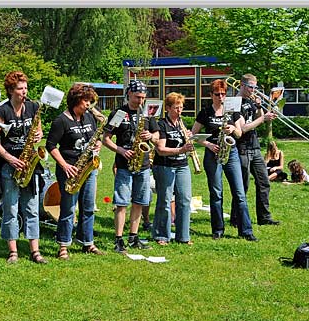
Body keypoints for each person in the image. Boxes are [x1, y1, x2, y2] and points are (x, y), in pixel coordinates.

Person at [0, 71, 47, 264]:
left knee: (32, 208)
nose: (25, 91)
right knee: (11, 208)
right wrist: (7, 157)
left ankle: (35, 251)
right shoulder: (3, 111)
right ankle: (13, 251)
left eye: (26, 88)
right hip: (10, 164)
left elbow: (38, 129)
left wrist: (38, 134)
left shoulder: (32, 107)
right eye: (21, 88)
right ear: (11, 91)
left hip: (29, 163)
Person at [192, 79, 258, 241]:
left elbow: (239, 134)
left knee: (240, 193)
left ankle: (246, 231)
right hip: (213, 153)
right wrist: (208, 144)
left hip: (231, 152)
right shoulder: (205, 112)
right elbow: (193, 134)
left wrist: (233, 129)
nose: (221, 97)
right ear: (211, 95)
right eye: (217, 94)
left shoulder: (232, 110)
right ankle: (218, 229)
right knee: (216, 193)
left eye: (223, 94)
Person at [45, 83, 104, 260]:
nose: (88, 104)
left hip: (88, 168)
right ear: (76, 100)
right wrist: (65, 165)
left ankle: (87, 242)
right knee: (68, 208)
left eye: (90, 101)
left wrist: (98, 144)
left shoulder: (89, 118)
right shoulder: (61, 121)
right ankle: (63, 244)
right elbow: (50, 146)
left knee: (88, 207)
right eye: (86, 100)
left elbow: (96, 137)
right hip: (69, 169)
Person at [102, 80, 158, 253]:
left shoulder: (147, 113)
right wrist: (120, 150)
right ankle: (118, 240)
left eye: (142, 97)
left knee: (139, 202)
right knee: (121, 203)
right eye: (136, 97)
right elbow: (106, 138)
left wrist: (151, 135)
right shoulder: (119, 113)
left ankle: (134, 237)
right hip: (125, 164)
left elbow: (156, 135)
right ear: (128, 95)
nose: (140, 101)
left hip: (144, 164)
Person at [230, 73, 279, 226]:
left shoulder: (250, 101)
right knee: (242, 186)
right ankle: (236, 218)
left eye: (255, 87)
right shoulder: (234, 103)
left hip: (255, 146)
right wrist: (262, 118)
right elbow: (243, 128)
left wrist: (259, 107)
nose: (254, 90)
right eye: (251, 87)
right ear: (242, 85)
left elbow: (258, 119)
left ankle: (264, 217)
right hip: (242, 147)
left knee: (264, 182)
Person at [151, 92, 194, 245]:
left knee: (185, 200)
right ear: (168, 108)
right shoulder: (161, 124)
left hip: (182, 165)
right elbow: (160, 149)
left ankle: (183, 236)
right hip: (164, 166)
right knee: (165, 200)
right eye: (176, 108)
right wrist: (181, 150)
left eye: (181, 107)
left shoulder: (181, 123)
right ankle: (162, 235)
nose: (179, 111)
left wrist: (190, 138)